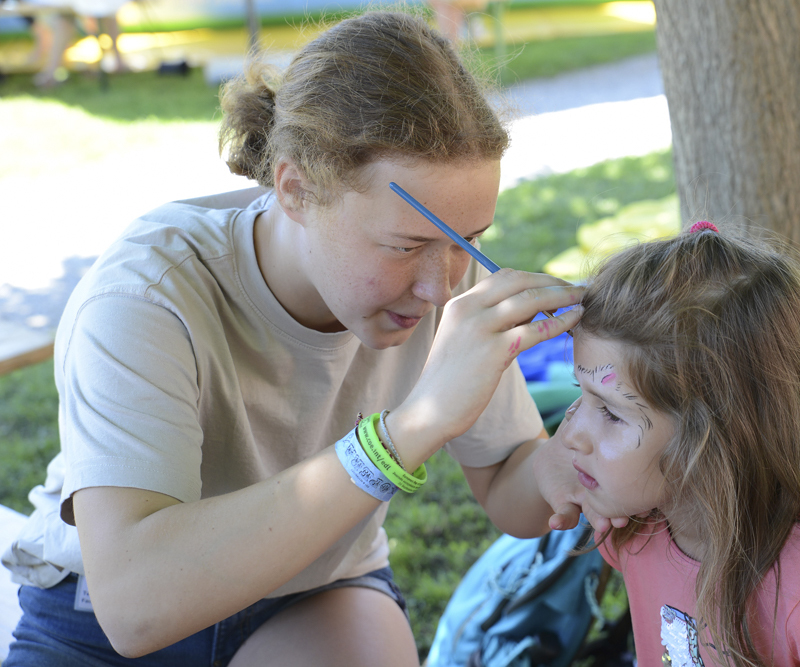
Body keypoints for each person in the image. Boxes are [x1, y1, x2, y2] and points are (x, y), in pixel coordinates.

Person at [1, 11, 599, 665]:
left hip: (310, 596)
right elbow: (134, 607)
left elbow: (511, 483)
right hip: (103, 611)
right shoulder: (147, 293)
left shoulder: (446, 287)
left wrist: (579, 458)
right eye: (405, 245)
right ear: (295, 189)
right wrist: (409, 430)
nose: (441, 286)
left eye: (470, 239)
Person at [544, 225, 800, 667]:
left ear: (716, 439)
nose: (571, 434)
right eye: (582, 393)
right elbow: (529, 470)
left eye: (611, 413)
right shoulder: (639, 522)